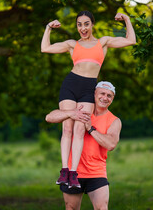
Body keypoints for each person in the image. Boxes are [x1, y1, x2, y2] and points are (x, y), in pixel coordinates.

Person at [41, 10, 135, 188]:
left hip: (88, 88)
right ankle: (64, 171)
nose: (82, 28)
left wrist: (127, 19)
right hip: (70, 84)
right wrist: (48, 28)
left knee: (79, 129)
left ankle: (74, 173)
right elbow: (45, 48)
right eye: (79, 24)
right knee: (67, 127)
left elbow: (131, 40)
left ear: (92, 25)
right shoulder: (71, 44)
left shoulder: (103, 42)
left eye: (86, 24)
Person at [45, 81, 121, 210]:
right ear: (94, 94)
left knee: (102, 208)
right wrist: (69, 113)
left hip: (97, 173)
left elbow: (111, 144)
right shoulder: (79, 110)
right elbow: (49, 117)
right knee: (71, 208)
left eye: (109, 95)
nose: (105, 98)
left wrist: (90, 128)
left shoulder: (114, 120)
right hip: (73, 172)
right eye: (102, 93)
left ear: (112, 99)